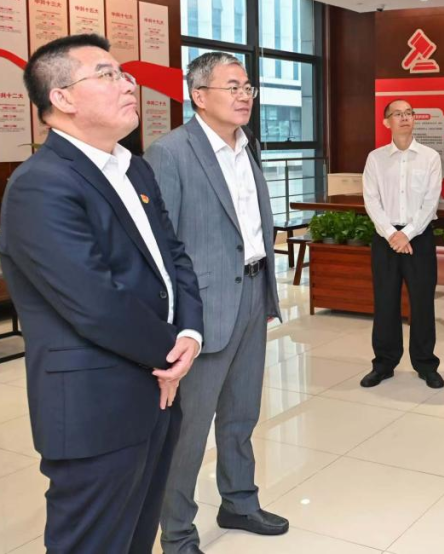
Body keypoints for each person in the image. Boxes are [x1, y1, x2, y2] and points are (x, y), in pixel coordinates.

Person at [0, 33, 204, 554]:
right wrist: (170, 355)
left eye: (124, 73)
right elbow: (95, 302)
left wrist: (190, 333)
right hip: (97, 405)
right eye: (107, 75)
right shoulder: (41, 184)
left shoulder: (133, 167)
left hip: (157, 389)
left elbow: (173, 257)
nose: (128, 84)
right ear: (61, 98)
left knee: (136, 537)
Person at [145, 52, 287, 553]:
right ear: (199, 96)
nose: (245, 96)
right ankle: (176, 530)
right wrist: (176, 321)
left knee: (241, 413)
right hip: (202, 309)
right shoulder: (171, 153)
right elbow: (160, 248)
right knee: (189, 428)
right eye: (233, 87)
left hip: (253, 290)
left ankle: (239, 501)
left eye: (248, 87)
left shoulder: (247, 146)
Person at [359, 99, 444, 389]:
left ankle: (425, 364)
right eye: (398, 114)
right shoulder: (376, 158)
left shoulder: (430, 157)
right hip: (386, 239)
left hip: (419, 238)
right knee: (385, 303)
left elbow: (431, 201)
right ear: (387, 122)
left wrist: (406, 234)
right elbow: (371, 200)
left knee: (422, 303)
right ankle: (384, 364)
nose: (405, 118)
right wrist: (390, 234)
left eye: (409, 113)